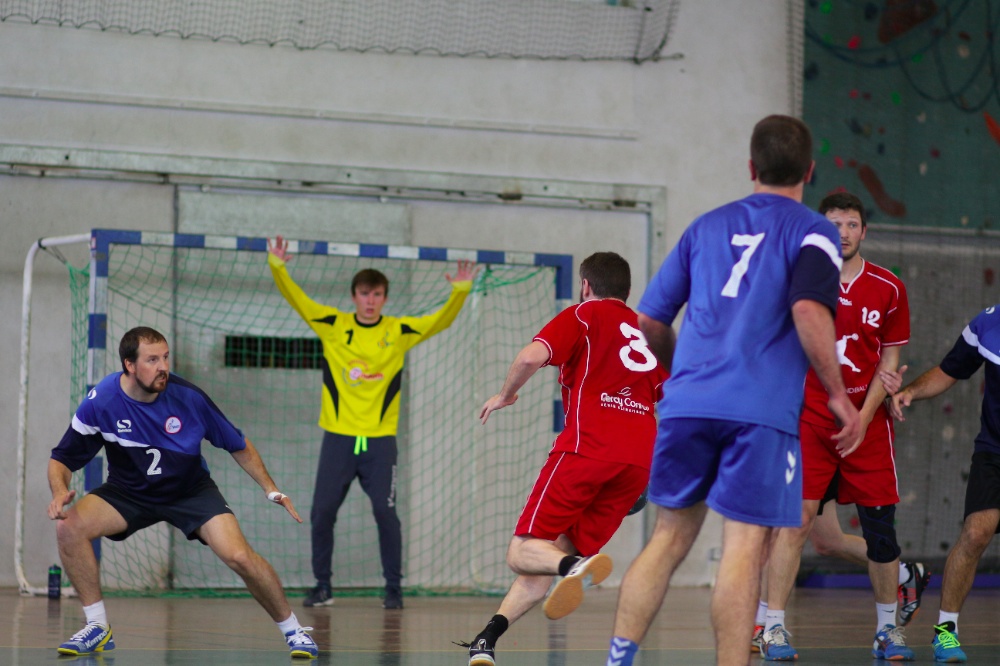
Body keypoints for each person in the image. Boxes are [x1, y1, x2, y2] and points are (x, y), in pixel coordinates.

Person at [605, 114, 862, 666]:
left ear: (751, 166)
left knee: (667, 538)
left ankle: (618, 659)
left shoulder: (705, 226)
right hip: (759, 413)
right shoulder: (813, 230)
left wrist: (681, 376)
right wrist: (839, 394)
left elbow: (648, 322)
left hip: (688, 406)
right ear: (809, 170)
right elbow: (808, 309)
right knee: (744, 546)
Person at [48, 326, 318, 659]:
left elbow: (238, 444)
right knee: (68, 527)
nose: (163, 366)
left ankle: (294, 631)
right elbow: (61, 458)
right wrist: (59, 491)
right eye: (152, 360)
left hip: (190, 492)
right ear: (129, 365)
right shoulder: (102, 401)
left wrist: (272, 490)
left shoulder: (189, 398)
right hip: (128, 492)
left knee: (239, 556)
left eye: (165, 357)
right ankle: (97, 627)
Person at [463, 252, 668, 666]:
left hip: (587, 449)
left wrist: (505, 395)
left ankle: (576, 566)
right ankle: (486, 639)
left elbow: (529, 357)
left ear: (585, 285)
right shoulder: (649, 332)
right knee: (547, 556)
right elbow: (672, 397)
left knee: (521, 551)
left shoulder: (583, 314)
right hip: (638, 462)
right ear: (627, 291)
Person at [267, 236, 476, 609]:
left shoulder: (397, 331)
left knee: (385, 512)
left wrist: (460, 291)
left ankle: (393, 589)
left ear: (384, 298)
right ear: (354, 296)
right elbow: (297, 299)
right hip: (339, 438)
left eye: (377, 294)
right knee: (321, 512)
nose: (370, 300)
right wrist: (277, 266)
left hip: (379, 442)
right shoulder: (333, 324)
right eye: (364, 293)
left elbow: (440, 321)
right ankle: (323, 586)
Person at [757, 191, 919, 661]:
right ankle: (773, 628)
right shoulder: (799, 280)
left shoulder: (889, 287)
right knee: (796, 523)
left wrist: (863, 418)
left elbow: (890, 362)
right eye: (833, 224)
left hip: (867, 426)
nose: (843, 233)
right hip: (810, 421)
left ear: (864, 231)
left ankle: (887, 630)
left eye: (851, 224)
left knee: (881, 532)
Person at [886, 303, 1000, 663]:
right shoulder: (989, 323)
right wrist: (910, 392)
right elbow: (950, 370)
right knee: (976, 533)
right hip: (994, 453)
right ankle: (945, 633)